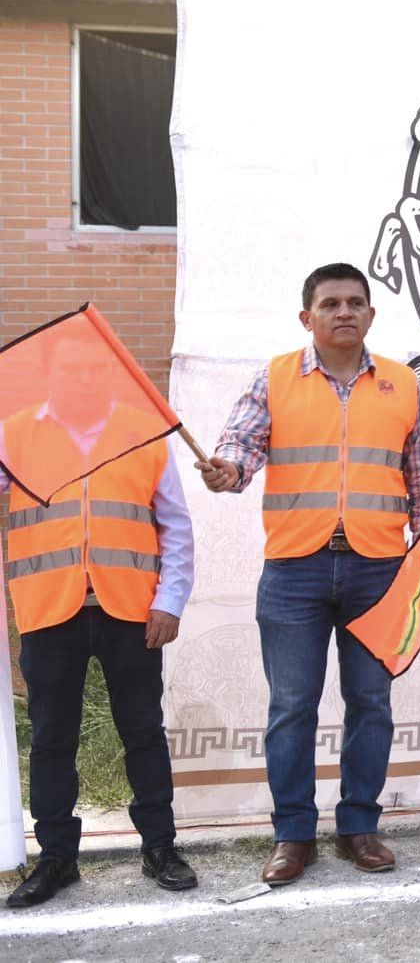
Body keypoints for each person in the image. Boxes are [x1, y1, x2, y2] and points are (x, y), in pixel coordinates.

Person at [196, 262, 420, 887]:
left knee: (371, 703)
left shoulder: (403, 385)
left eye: (355, 303)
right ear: (307, 318)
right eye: (330, 303)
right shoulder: (275, 378)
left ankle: (360, 825)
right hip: (294, 571)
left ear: (370, 314)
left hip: (379, 569)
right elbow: (241, 448)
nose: (344, 312)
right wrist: (227, 470)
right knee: (291, 707)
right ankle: (292, 835)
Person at [2, 338, 197, 908]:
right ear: (49, 375)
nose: (84, 377)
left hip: (132, 612)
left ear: (110, 375)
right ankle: (57, 857)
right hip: (48, 608)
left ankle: (160, 846)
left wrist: (171, 600)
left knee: (143, 732)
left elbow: (175, 526)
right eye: (71, 367)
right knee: (51, 738)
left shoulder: (144, 433)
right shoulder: (13, 434)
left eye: (94, 368)